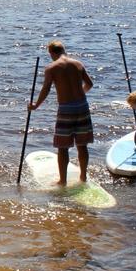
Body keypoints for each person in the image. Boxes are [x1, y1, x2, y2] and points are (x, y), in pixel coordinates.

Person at [28, 40, 94, 186]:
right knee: (82, 145)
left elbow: (45, 90)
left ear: (51, 53)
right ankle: (83, 177)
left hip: (66, 109)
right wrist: (79, 95)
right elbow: (90, 84)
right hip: (82, 106)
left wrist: (36, 105)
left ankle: (62, 181)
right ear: (63, 50)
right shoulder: (78, 64)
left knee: (62, 146)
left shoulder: (51, 68)